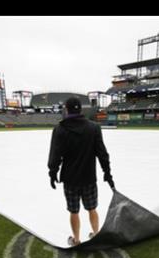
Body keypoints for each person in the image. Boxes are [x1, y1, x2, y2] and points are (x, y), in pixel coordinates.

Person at [48, 97, 114, 247]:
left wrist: (52, 172)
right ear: (80, 110)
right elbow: (102, 153)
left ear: (66, 109)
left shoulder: (59, 129)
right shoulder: (94, 128)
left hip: (70, 180)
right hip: (89, 177)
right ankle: (96, 235)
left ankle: (76, 240)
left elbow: (55, 154)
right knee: (92, 208)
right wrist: (107, 172)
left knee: (74, 211)